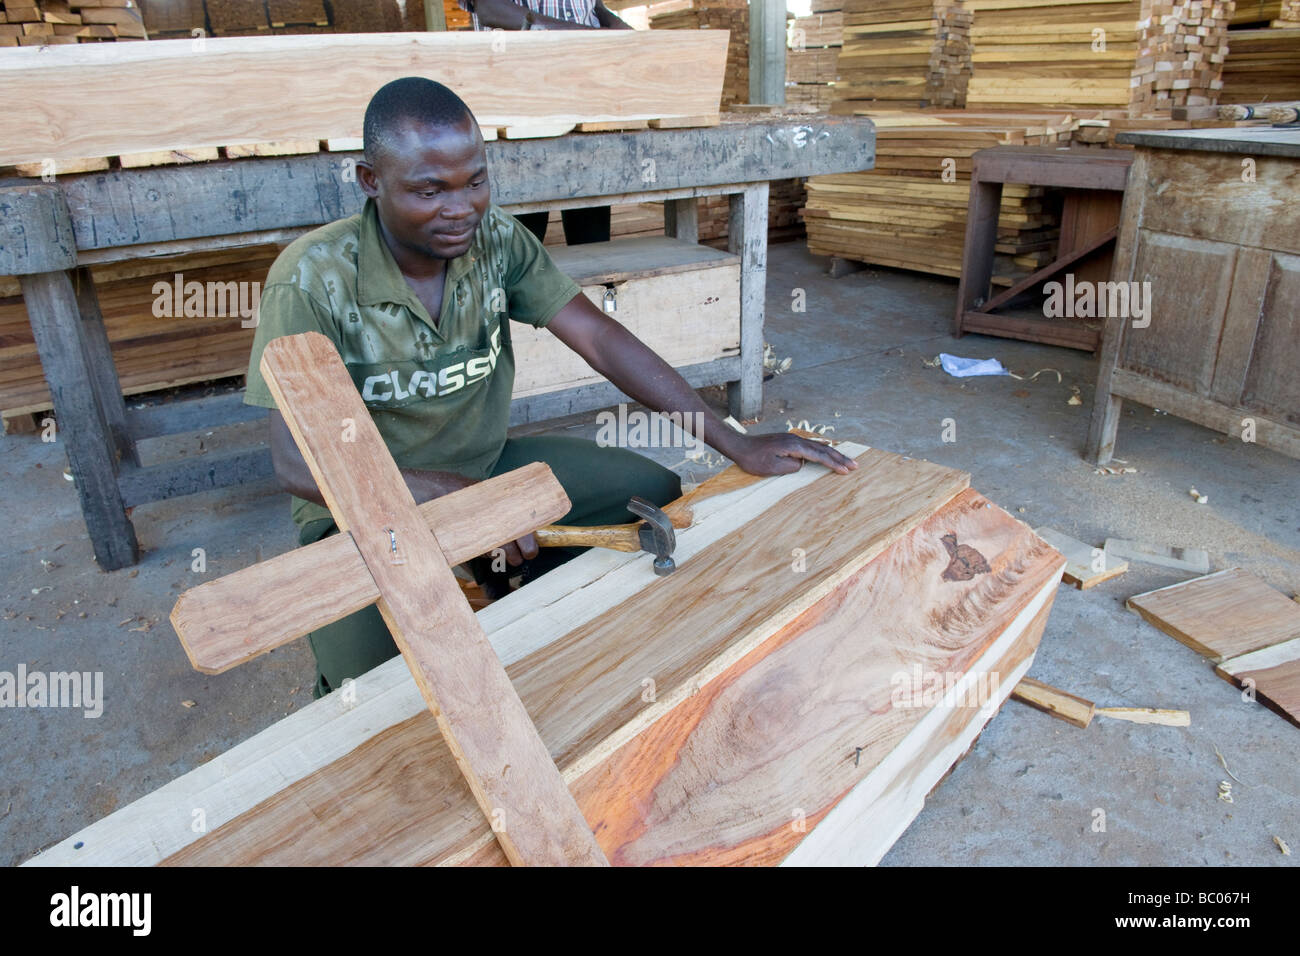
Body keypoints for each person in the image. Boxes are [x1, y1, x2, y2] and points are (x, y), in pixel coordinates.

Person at [243, 77, 856, 698]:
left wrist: (735, 442)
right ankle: (473, 578)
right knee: (372, 689)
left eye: (475, 181)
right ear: (370, 180)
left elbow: (598, 338)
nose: (461, 209)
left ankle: (517, 593)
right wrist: (467, 505)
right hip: (360, 511)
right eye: (429, 190)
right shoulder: (310, 279)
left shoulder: (495, 240)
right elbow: (295, 463)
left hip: (486, 466)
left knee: (650, 492)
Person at [457, 0, 632, 246]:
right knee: (522, 236)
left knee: (591, 232)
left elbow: (590, 5)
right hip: (519, 93)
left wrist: (611, 23)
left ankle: (593, 285)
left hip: (584, 86)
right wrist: (584, 35)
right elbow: (490, 8)